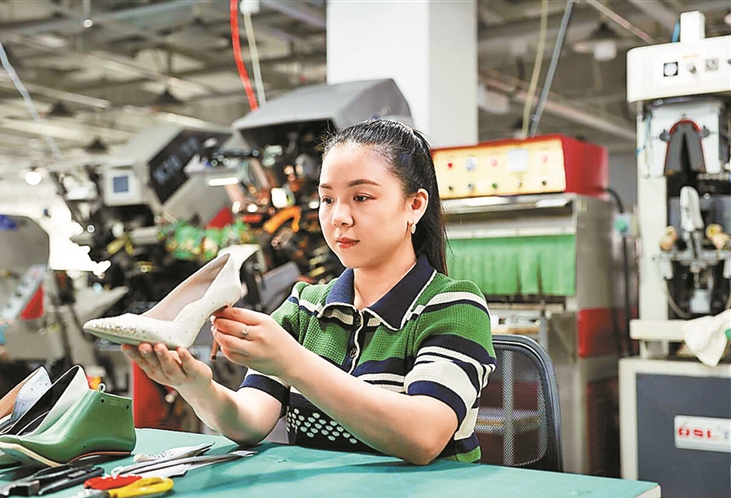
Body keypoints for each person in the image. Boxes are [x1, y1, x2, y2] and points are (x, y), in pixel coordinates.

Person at [123, 119, 495, 465]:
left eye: (361, 197)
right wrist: (196, 385)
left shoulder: (453, 307)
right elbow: (250, 421)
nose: (338, 217)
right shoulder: (305, 307)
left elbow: (424, 437)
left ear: (414, 205)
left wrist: (292, 362)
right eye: (328, 199)